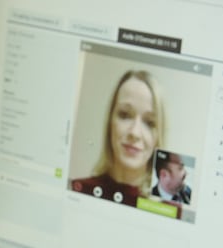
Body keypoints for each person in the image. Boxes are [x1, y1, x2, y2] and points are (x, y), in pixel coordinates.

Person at [70, 69, 165, 207]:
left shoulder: (171, 211)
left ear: (159, 136)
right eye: (125, 115)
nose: (135, 133)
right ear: (110, 122)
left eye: (149, 123)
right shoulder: (77, 190)